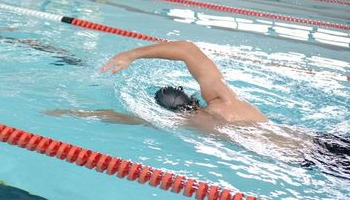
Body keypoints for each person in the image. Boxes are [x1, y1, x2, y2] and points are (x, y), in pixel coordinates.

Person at [45, 41, 349, 169]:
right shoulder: (223, 101)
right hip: (320, 141)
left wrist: (75, 112)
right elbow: (188, 49)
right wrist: (133, 54)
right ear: (190, 96)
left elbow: (122, 118)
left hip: (308, 162)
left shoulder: (186, 125)